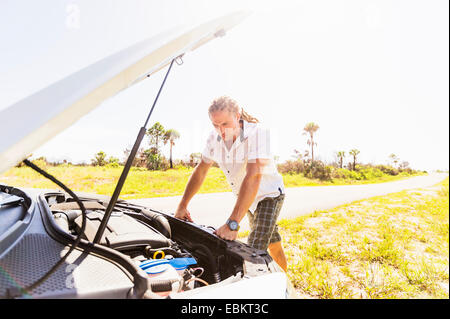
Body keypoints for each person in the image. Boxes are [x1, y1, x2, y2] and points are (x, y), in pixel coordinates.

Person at [174, 96, 287, 271]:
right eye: (215, 125)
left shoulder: (257, 134)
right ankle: (284, 279)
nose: (220, 130)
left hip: (268, 196)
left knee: (254, 251)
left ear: (238, 115)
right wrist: (182, 205)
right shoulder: (214, 138)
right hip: (247, 200)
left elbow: (254, 175)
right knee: (273, 243)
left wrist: (233, 223)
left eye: (225, 124)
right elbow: (201, 170)